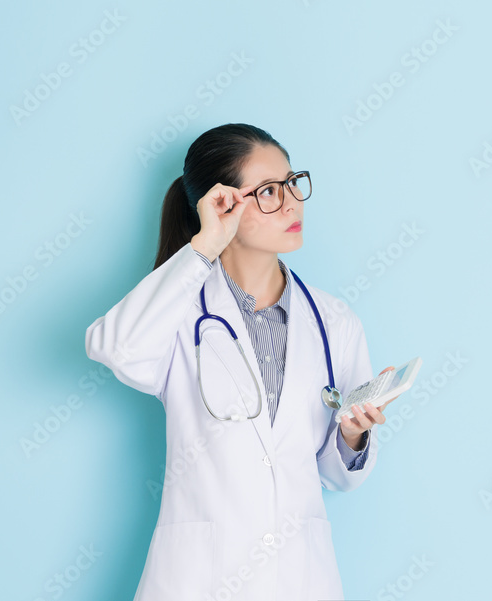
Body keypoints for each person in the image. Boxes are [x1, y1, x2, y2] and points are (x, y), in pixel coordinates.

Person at [84, 123, 394, 600]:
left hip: (300, 579)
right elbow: (116, 349)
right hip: (199, 579)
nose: (292, 203)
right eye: (269, 191)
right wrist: (205, 246)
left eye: (293, 184)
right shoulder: (181, 312)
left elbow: (336, 476)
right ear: (222, 203)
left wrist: (354, 435)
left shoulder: (334, 321)